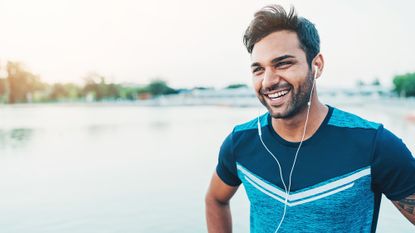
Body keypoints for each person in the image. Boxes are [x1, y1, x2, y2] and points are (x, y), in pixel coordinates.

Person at [205, 4, 415, 233]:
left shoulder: (373, 144)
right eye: (258, 69)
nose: (268, 81)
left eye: (283, 63)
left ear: (316, 65)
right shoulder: (241, 142)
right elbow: (215, 199)